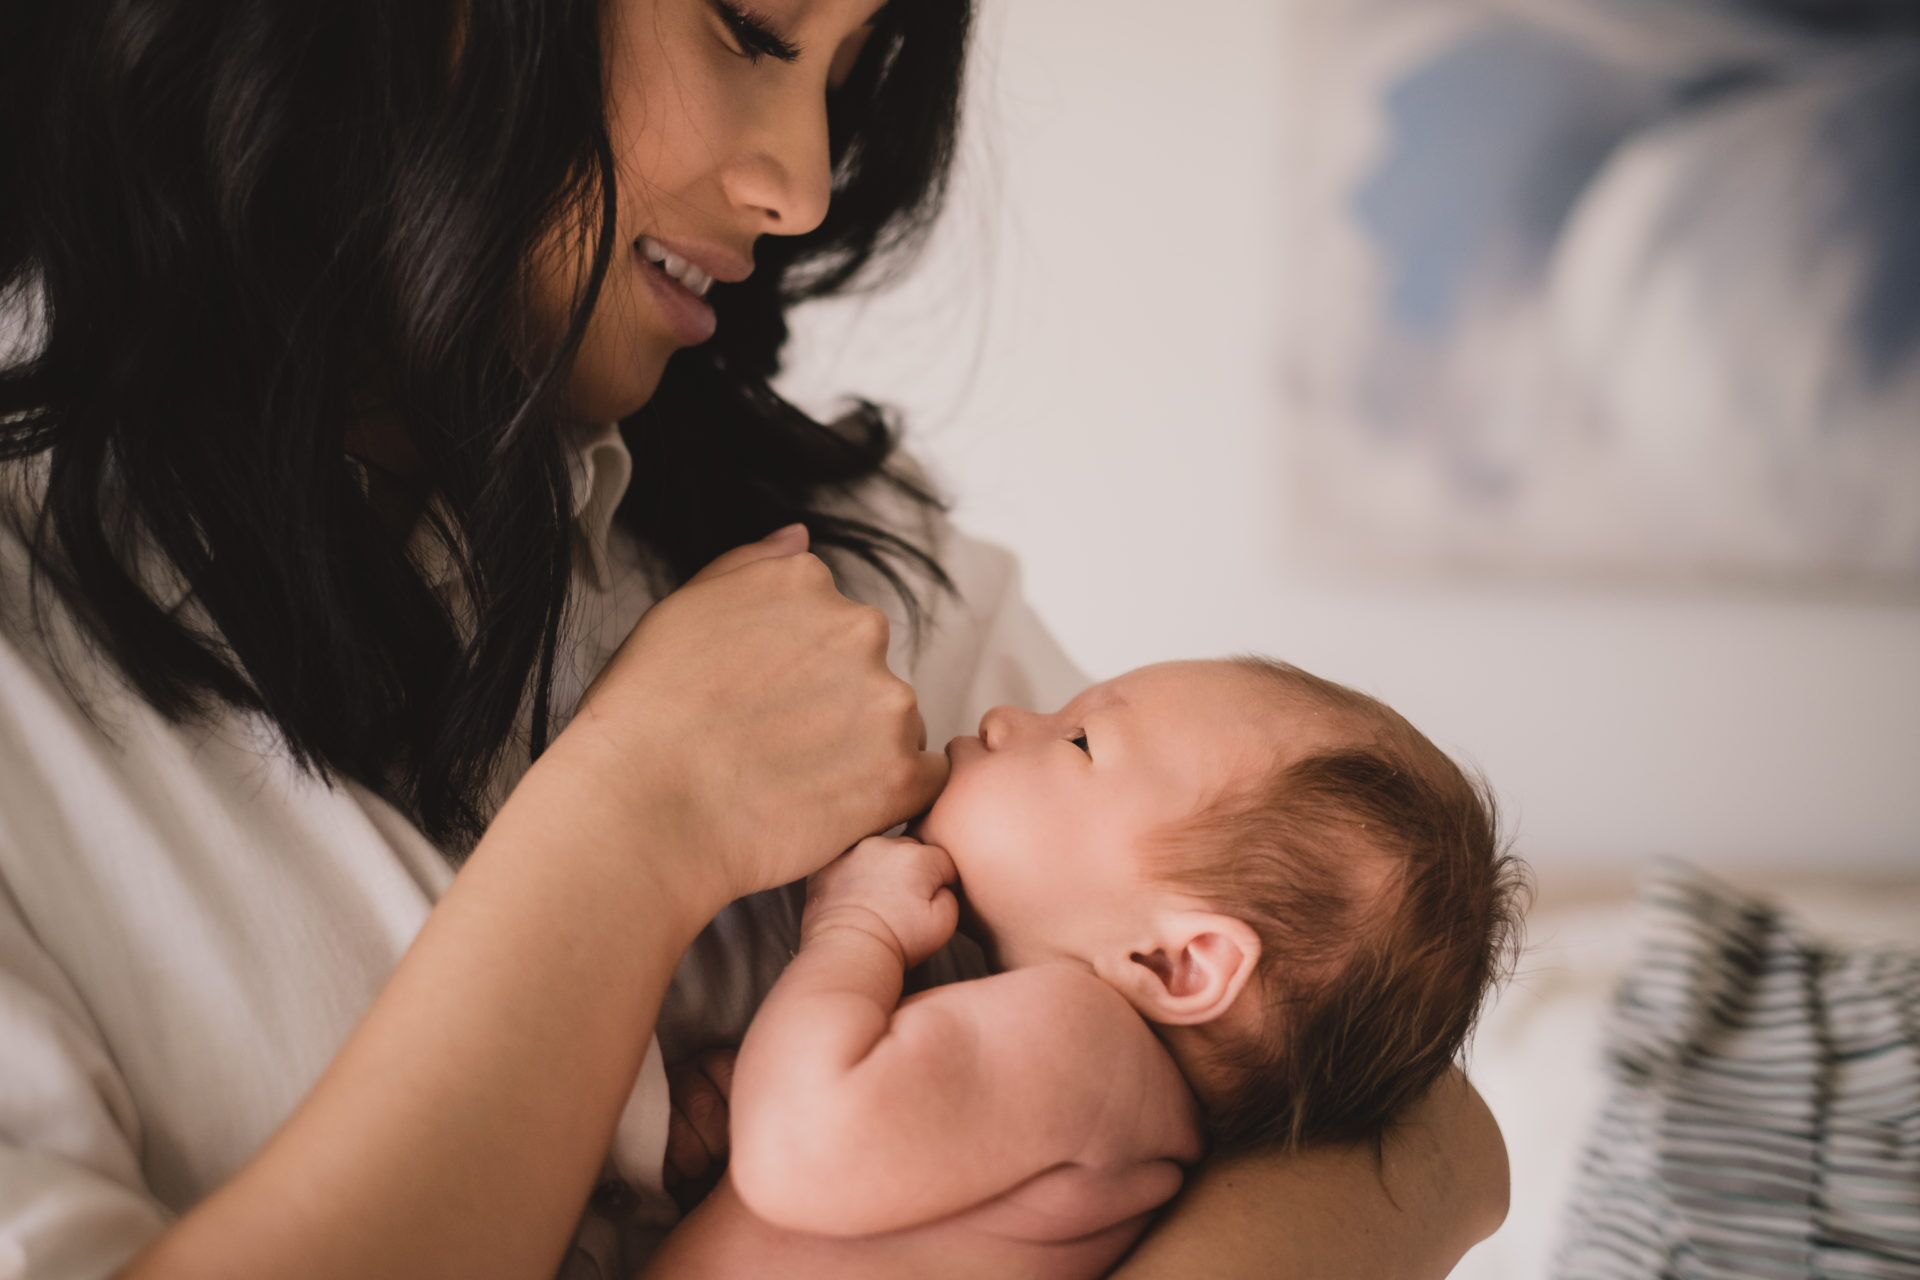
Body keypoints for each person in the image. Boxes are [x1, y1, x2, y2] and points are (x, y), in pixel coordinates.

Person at [0, 2, 1509, 1278]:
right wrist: (632, 823)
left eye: (847, 75)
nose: (802, 186)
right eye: (752, 29)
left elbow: (1426, 1133)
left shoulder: (827, 552)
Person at [641, 656, 1526, 1278]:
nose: (1005, 718)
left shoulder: (1077, 1041)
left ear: (1177, 963)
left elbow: (804, 1150)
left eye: (1078, 742)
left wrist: (855, 928)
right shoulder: (1113, 1111)